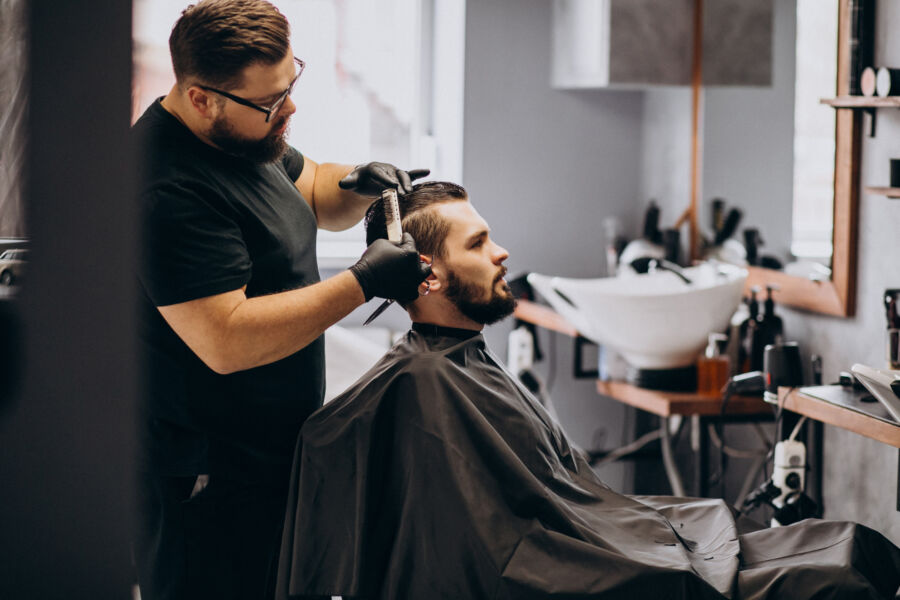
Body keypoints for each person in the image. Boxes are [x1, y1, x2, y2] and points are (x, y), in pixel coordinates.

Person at [276, 182, 900, 600]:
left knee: (850, 544)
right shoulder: (427, 382)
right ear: (428, 275)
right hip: (588, 568)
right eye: (477, 244)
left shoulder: (452, 365)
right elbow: (495, 552)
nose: (502, 253)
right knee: (836, 573)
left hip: (610, 539)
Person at [132, 1, 431, 598]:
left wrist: (360, 182)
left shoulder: (243, 137)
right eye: (271, 102)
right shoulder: (166, 187)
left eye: (291, 83)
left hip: (267, 460)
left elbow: (314, 188)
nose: (289, 108)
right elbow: (227, 337)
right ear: (201, 98)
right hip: (208, 480)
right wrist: (363, 282)